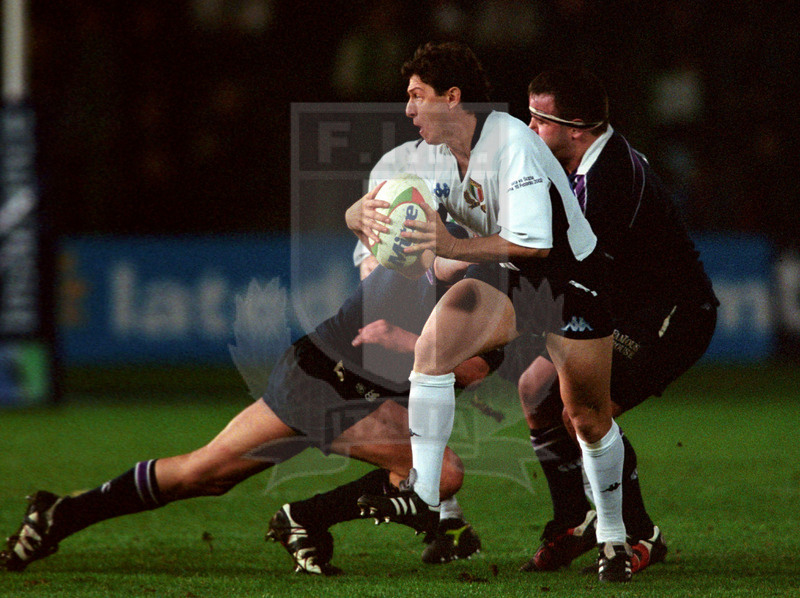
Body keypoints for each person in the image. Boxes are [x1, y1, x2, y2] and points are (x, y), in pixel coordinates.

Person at [0, 251, 487, 576]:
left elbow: (472, 371)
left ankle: (59, 513)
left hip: (342, 393)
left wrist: (407, 341)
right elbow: (421, 259)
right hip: (318, 379)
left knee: (204, 473)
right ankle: (304, 518)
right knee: (439, 472)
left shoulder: (499, 296)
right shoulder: (436, 258)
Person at [346, 42, 631, 582]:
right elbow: (398, 225)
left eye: (416, 96)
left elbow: (535, 245)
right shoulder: (428, 156)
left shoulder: (512, 143)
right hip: (508, 274)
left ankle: (614, 537)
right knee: (432, 352)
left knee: (588, 418)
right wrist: (355, 215)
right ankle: (425, 497)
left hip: (572, 278)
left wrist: (448, 249)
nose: (408, 110)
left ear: (452, 98)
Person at [515, 67, 718, 574]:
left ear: (577, 126)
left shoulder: (611, 178)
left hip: (672, 314)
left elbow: (568, 266)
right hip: (620, 304)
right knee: (535, 391)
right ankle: (575, 518)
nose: (529, 127)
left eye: (539, 119)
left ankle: (640, 532)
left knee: (584, 410)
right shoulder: (576, 163)